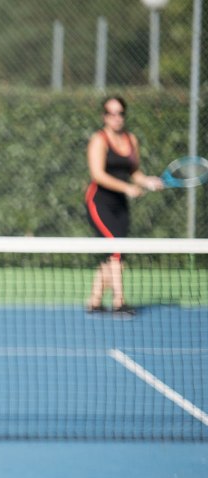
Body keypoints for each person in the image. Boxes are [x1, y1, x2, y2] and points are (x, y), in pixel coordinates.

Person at [84, 95, 162, 315]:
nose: (116, 118)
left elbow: (134, 173)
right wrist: (127, 188)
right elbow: (97, 175)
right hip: (99, 203)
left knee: (112, 252)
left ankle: (94, 300)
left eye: (120, 113)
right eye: (111, 113)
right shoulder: (99, 140)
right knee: (116, 249)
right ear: (104, 116)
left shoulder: (131, 139)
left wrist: (148, 181)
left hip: (120, 205)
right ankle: (119, 301)